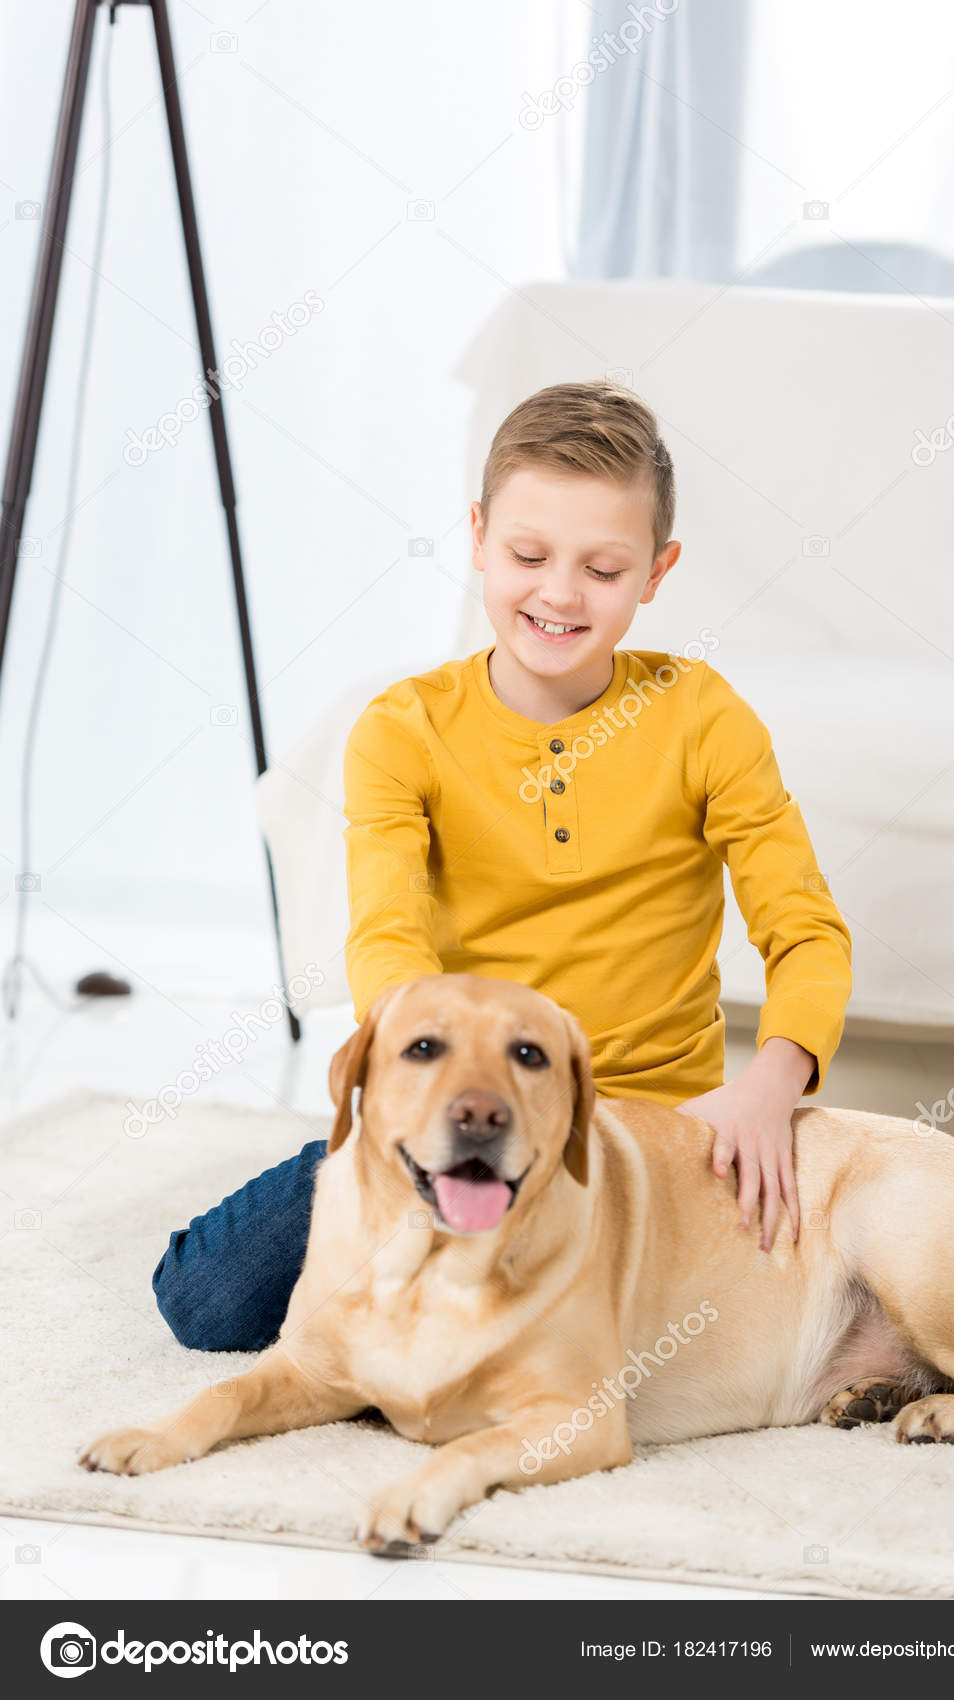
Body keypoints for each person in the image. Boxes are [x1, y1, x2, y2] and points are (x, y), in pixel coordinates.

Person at [152, 380, 852, 1352]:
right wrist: (423, 1101)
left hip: (649, 1128)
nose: (559, 592)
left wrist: (770, 1085)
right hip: (460, 1120)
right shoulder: (404, 728)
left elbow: (805, 928)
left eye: (603, 567)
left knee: (659, 1332)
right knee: (207, 1297)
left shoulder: (705, 717)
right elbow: (388, 935)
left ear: (657, 570)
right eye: (528, 555)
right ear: (478, 536)